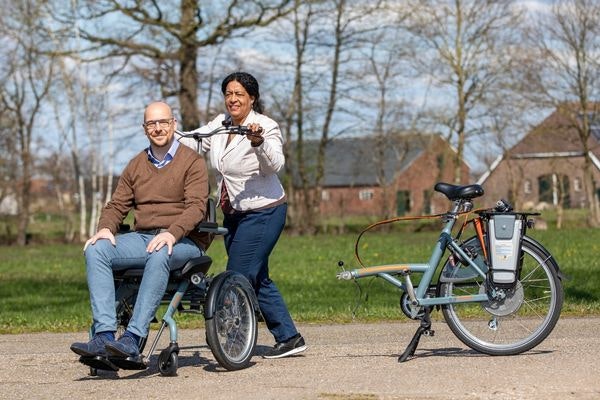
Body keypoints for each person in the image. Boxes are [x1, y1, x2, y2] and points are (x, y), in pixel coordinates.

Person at [70, 101, 210, 369]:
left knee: (160, 251)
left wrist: (172, 234)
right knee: (96, 249)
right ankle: (103, 336)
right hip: (144, 237)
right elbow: (116, 205)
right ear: (144, 128)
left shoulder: (192, 162)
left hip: (184, 241)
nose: (158, 128)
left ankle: (133, 338)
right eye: (151, 124)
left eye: (163, 122)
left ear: (174, 125)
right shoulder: (136, 164)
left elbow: (196, 208)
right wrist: (104, 229)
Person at [178, 72, 307, 359]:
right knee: (257, 276)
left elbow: (275, 164)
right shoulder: (221, 125)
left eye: (239, 94)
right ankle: (290, 337)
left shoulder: (265, 126)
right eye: (228, 94)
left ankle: (232, 338)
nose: (232, 99)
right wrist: (169, 132)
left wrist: (257, 143)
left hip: (264, 212)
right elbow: (196, 141)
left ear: (252, 98)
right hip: (234, 214)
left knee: (236, 275)